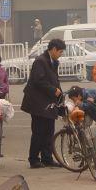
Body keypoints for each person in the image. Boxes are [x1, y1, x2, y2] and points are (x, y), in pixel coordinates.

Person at [21, 39, 65, 169]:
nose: (60, 54)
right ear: (53, 49)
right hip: (38, 102)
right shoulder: (40, 61)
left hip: (48, 102)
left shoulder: (53, 62)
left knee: (49, 131)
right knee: (38, 131)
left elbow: (55, 81)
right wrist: (53, 90)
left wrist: (60, 95)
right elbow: (38, 81)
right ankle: (33, 159)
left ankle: (47, 158)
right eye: (60, 52)